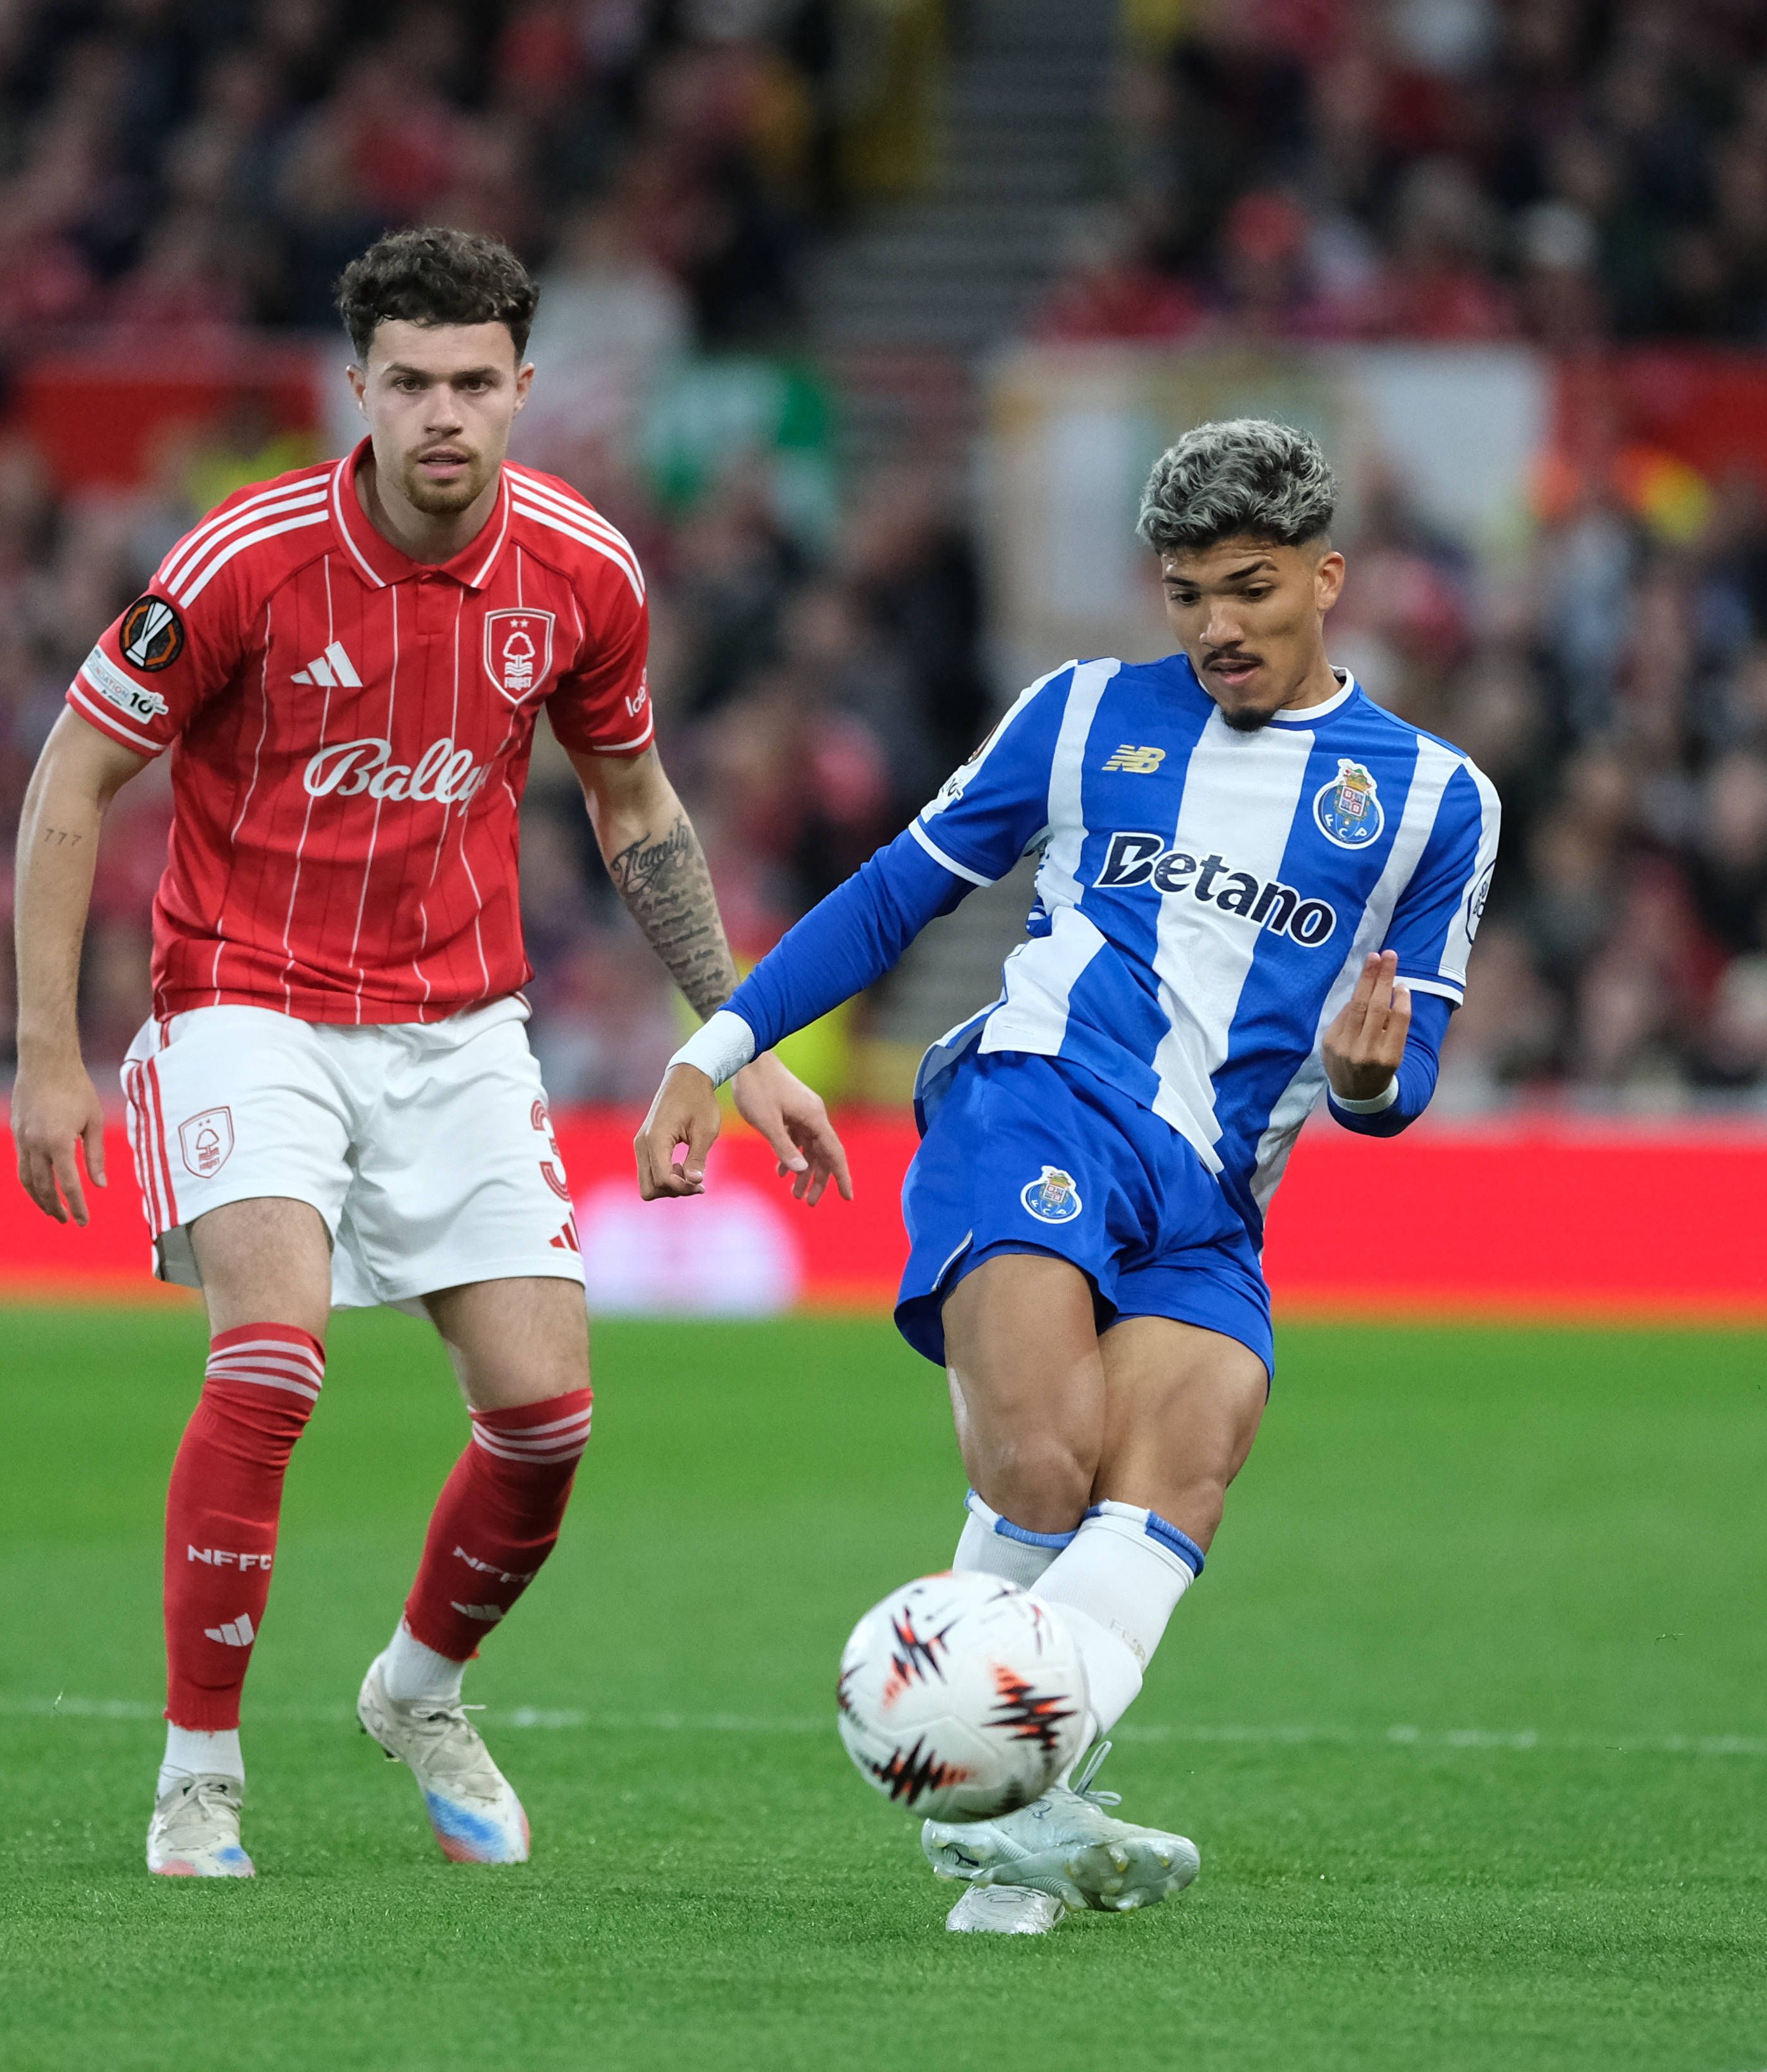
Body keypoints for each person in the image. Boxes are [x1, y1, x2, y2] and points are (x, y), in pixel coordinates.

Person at [9, 226, 847, 1880]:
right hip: (242, 998)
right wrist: (48, 1050)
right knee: (271, 1360)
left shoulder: (584, 574)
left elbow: (635, 808)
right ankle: (198, 1779)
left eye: (474, 382)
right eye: (410, 383)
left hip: (457, 1020)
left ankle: (417, 1688)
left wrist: (738, 1036)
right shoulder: (241, 561)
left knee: (544, 1421)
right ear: (359, 391)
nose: (443, 414)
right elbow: (66, 780)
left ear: (523, 389)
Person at [634, 419, 1497, 1934]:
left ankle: (1004, 1821)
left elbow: (1399, 1068)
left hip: (1215, 1197)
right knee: (1038, 1466)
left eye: (1247, 589)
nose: (1216, 627)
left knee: (1177, 1477)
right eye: (1183, 596)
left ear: (1326, 577)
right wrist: (716, 1049)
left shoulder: (1435, 802)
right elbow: (898, 889)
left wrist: (1366, 1085)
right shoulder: (1084, 714)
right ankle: (1003, 1811)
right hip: (1038, 1103)